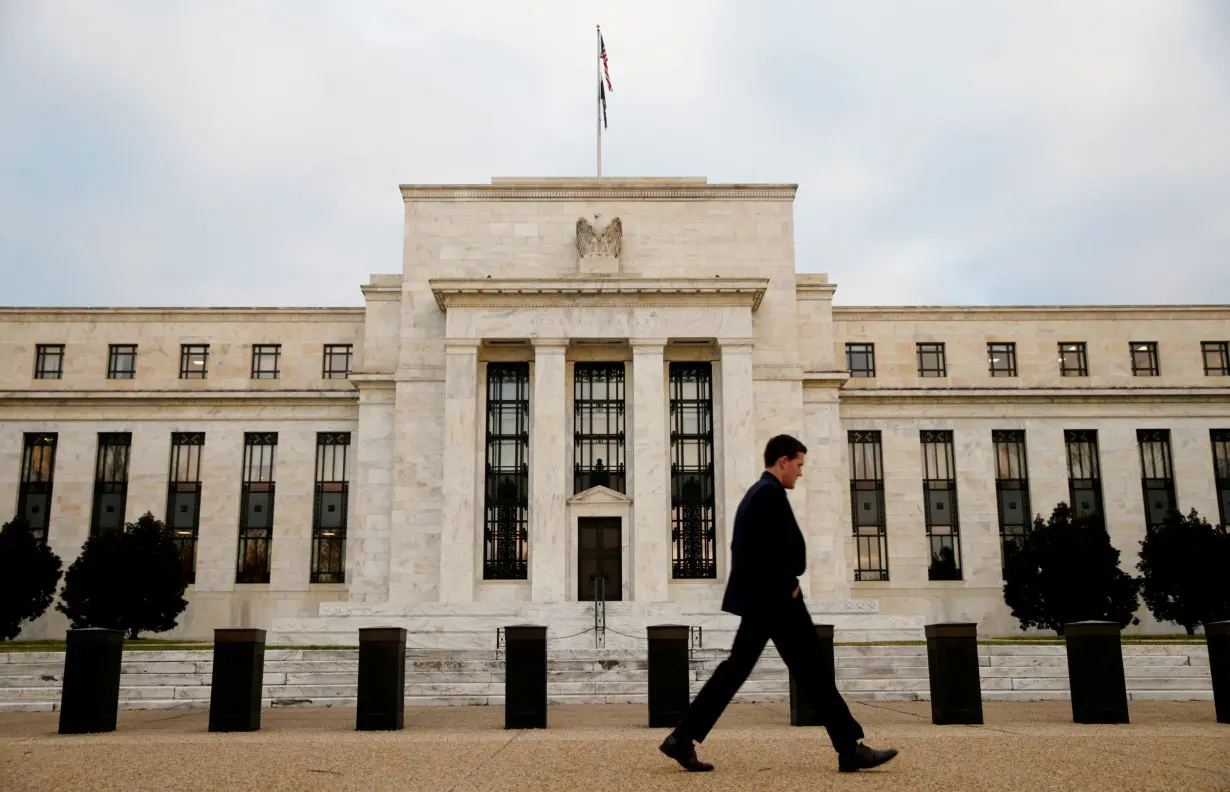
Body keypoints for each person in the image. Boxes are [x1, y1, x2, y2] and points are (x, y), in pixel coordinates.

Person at [659, 434, 899, 774]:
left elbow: (755, 550)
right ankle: (849, 749)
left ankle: (682, 738)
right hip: (778, 601)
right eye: (798, 465)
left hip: (766, 600)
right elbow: (768, 551)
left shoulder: (759, 494)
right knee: (811, 671)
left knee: (746, 670)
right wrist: (787, 586)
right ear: (782, 461)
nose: (801, 473)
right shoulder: (768, 494)